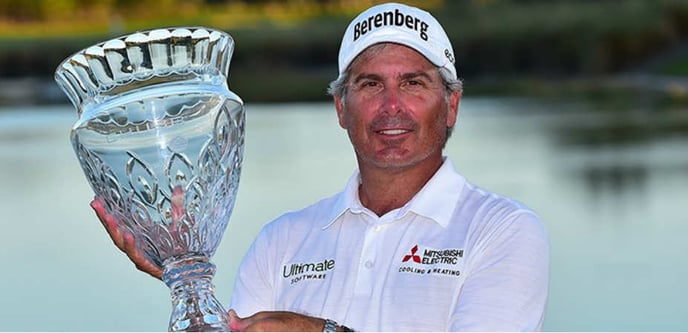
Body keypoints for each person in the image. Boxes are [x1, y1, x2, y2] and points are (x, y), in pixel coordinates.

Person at [91, 2, 549, 331]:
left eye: (413, 83)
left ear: (451, 105)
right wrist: (182, 271)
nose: (392, 107)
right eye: (369, 84)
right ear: (340, 108)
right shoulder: (281, 240)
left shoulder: (502, 229)